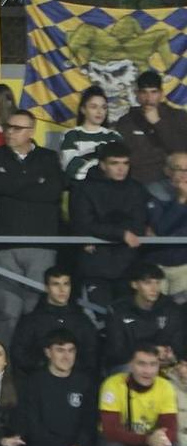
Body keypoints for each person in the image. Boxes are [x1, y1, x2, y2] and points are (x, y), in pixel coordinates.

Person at [0, 110, 63, 342]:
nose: (10, 132)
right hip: (4, 243)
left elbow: (53, 191)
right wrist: (35, 182)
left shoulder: (48, 157)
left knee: (35, 310)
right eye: (8, 127)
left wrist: (13, 185)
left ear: (31, 131)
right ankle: (4, 368)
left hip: (41, 243)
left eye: (17, 128)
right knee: (6, 312)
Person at [69, 142, 149, 305]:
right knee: (98, 318)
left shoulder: (137, 189)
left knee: (127, 320)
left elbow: (139, 223)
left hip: (128, 267)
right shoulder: (83, 189)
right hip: (95, 268)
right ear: (102, 165)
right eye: (115, 163)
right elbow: (83, 223)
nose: (121, 168)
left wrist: (100, 232)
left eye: (125, 163)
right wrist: (122, 234)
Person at [98, 344, 181, 446]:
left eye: (153, 364)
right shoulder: (113, 385)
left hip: (151, 442)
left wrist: (159, 440)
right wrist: (147, 439)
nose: (148, 371)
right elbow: (111, 432)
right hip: (122, 441)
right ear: (130, 365)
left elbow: (171, 429)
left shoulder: (165, 387)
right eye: (141, 364)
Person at [15, 332, 97, 446]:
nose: (66, 356)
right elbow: (32, 425)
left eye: (71, 351)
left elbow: (90, 421)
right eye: (60, 350)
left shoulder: (85, 383)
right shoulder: (33, 383)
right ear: (48, 353)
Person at [10, 269, 101, 377]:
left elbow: (92, 354)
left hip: (78, 382)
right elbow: (19, 354)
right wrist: (46, 368)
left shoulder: (82, 320)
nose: (62, 289)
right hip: (39, 382)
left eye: (66, 284)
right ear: (46, 287)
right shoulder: (31, 320)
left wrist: (70, 368)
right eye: (56, 284)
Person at [102, 264, 182, 372]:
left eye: (157, 283)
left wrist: (171, 354)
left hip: (163, 363)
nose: (154, 289)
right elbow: (117, 351)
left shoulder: (170, 307)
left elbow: (177, 341)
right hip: (130, 363)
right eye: (147, 283)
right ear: (134, 284)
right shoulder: (118, 310)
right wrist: (151, 351)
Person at [114, 69, 187, 186]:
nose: (149, 98)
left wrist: (158, 122)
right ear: (137, 94)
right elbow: (122, 155)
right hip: (135, 181)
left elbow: (182, 150)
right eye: (144, 92)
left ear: (161, 94)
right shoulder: (127, 121)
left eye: (154, 92)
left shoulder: (178, 116)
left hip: (170, 181)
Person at [58, 85, 121, 183]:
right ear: (83, 109)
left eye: (103, 107)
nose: (99, 112)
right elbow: (71, 169)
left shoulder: (114, 136)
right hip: (80, 191)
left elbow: (118, 170)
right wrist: (98, 157)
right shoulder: (71, 135)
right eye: (93, 107)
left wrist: (86, 160)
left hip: (109, 191)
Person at [150, 152, 187, 298]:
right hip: (158, 264)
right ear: (167, 170)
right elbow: (161, 228)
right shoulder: (154, 191)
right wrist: (181, 200)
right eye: (179, 168)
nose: (184, 174)